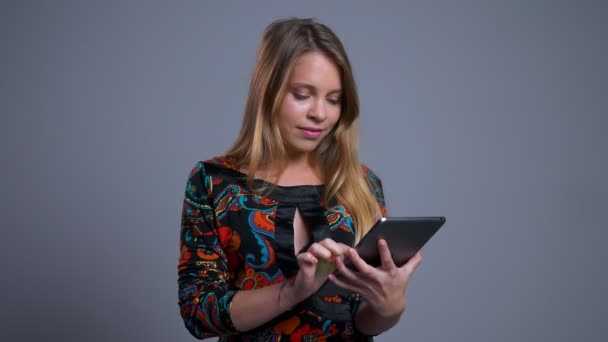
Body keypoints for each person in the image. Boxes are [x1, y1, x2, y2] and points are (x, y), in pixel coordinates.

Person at [178, 17, 422, 341]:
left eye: (334, 100)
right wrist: (290, 292)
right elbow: (198, 312)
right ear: (268, 92)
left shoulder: (362, 185)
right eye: (303, 94)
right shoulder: (213, 182)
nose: (320, 114)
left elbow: (361, 321)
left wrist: (389, 307)